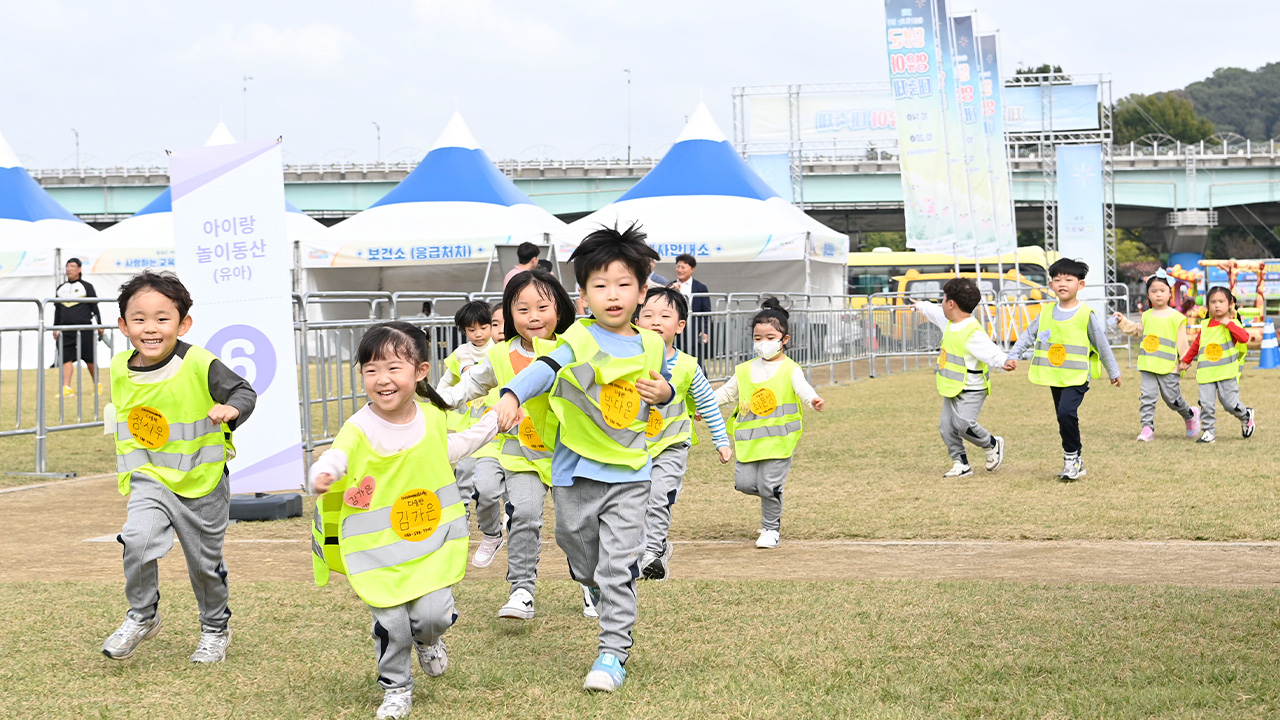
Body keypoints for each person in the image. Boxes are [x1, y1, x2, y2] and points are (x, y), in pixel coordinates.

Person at [493, 222, 674, 693]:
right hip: (575, 471)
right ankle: (591, 582)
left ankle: (613, 652)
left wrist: (666, 389)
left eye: (623, 284)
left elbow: (668, 384)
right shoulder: (580, 339)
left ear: (641, 290)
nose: (612, 295)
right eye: (600, 286)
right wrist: (512, 394)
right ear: (583, 294)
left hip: (632, 471)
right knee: (573, 540)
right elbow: (544, 369)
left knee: (618, 567)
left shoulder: (652, 342)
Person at [310, 322, 504, 720]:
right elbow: (338, 454)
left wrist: (493, 423)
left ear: (420, 371)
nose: (382, 379)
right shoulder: (358, 426)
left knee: (431, 617)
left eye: (393, 368)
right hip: (378, 555)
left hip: (430, 545)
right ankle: (396, 688)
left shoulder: (432, 417)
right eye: (371, 369)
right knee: (392, 624)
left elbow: (453, 447)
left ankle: (429, 641)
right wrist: (323, 473)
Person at [101, 270, 257, 664]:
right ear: (123, 326)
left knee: (205, 566)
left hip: (200, 482)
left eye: (162, 318)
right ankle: (142, 615)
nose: (150, 328)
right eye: (139, 319)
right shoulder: (120, 367)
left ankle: (215, 628)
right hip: (150, 477)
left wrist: (231, 408)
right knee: (136, 541)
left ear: (183, 323)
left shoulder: (199, 362)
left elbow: (243, 390)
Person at [435, 270, 576, 620]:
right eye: (522, 309)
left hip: (571, 454)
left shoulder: (574, 348)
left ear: (559, 309)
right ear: (509, 316)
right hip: (521, 454)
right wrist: (435, 400)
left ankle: (591, 583)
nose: (533, 317)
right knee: (524, 515)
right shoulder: (499, 354)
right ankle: (522, 590)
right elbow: (470, 386)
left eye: (542, 307)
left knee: (576, 527)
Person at [635, 286, 731, 580]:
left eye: (665, 315)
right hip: (633, 447)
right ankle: (657, 544)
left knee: (659, 495)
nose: (655, 320)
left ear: (680, 325)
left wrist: (721, 440)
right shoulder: (626, 360)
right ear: (636, 319)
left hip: (672, 445)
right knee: (635, 501)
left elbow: (708, 404)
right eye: (648, 314)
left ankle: (651, 554)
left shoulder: (688, 366)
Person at [714, 298, 825, 549]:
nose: (763, 343)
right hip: (749, 442)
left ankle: (770, 529)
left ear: (784, 339)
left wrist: (813, 400)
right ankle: (773, 493)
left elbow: (803, 389)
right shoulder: (744, 370)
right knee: (744, 484)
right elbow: (726, 393)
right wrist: (706, 406)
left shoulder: (791, 369)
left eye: (769, 337)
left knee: (768, 484)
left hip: (779, 441)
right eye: (757, 337)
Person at [1004, 258, 1120, 481]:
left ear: (1081, 285)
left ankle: (1071, 460)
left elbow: (1101, 344)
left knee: (1067, 412)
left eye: (1068, 279)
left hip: (1077, 377)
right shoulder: (1046, 312)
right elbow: (1028, 335)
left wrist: (1113, 371)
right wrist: (1013, 355)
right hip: (1054, 376)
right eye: (1057, 280)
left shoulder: (1086, 314)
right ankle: (1076, 457)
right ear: (1051, 285)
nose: (1062, 284)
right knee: (1062, 417)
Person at [912, 278, 1007, 478]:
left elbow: (991, 352)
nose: (941, 303)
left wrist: (1004, 362)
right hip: (951, 386)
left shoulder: (973, 332)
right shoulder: (947, 321)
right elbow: (932, 311)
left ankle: (992, 443)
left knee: (963, 424)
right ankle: (961, 463)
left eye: (943, 299)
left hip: (973, 387)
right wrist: (920, 305)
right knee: (946, 427)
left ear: (951, 304)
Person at [1111, 270, 1199, 441]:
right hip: (1148, 364)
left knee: (1172, 400)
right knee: (1147, 397)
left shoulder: (1176, 317)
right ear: (1148, 295)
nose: (1158, 294)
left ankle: (1190, 414)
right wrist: (1122, 321)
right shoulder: (1146, 316)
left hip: (1169, 366)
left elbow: (1182, 342)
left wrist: (1185, 360)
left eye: (1162, 290)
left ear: (1169, 293)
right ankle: (1147, 427)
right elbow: (1137, 331)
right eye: (1153, 291)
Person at [436, 301, 495, 514]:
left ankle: (506, 509)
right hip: (470, 423)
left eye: (483, 327)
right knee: (465, 467)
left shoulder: (499, 349)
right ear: (464, 330)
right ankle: (462, 508)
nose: (478, 333)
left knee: (498, 469)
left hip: (497, 422)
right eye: (472, 329)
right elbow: (446, 381)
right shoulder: (461, 353)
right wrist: (437, 402)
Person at [1177, 285, 1255, 443]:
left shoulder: (1232, 324)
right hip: (1207, 374)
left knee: (1230, 404)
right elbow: (1197, 346)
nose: (1217, 305)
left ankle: (1246, 415)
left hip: (1226, 373)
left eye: (1221, 301)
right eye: (1213, 302)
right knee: (1206, 404)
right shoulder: (1205, 326)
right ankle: (1209, 432)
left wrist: (1229, 324)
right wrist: (1186, 360)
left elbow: (1244, 338)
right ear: (1208, 305)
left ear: (1229, 304)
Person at [53, 258, 105, 396]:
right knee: (65, 358)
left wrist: (100, 324)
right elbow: (57, 310)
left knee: (90, 358)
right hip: (65, 330)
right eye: (67, 266)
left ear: (80, 269)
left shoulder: (87, 287)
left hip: (85, 329)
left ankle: (97, 384)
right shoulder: (60, 288)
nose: (69, 269)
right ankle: (67, 388)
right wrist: (55, 327)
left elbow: (95, 307)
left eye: (72, 266)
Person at [671, 253, 711, 349]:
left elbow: (706, 312)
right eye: (678, 267)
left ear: (692, 269)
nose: (679, 270)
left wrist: (704, 330)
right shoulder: (671, 286)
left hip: (694, 330)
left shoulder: (700, 288)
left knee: (696, 357)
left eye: (683, 267)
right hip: (675, 329)